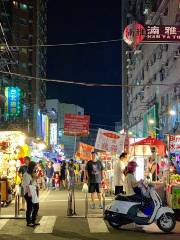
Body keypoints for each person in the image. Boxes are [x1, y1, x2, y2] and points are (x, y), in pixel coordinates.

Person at [23, 161, 40, 227]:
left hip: (34, 192)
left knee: (36, 207)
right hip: (28, 193)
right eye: (34, 167)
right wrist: (34, 178)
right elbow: (28, 184)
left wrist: (35, 179)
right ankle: (28, 222)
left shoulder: (32, 173)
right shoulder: (26, 175)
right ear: (31, 167)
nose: (35, 169)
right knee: (29, 208)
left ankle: (33, 220)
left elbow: (34, 183)